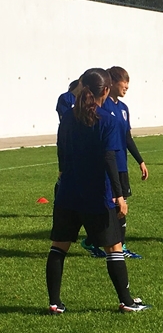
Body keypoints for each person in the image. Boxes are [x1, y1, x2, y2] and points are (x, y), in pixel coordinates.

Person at [48, 68, 150, 314]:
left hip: (67, 195)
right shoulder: (109, 120)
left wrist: (63, 173)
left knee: (58, 248)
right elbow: (109, 158)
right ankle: (126, 301)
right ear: (106, 90)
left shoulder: (68, 118)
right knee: (114, 248)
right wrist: (119, 195)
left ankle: (54, 303)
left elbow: (61, 150)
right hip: (97, 196)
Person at [98, 66, 149, 259]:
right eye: (123, 81)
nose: (126, 86)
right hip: (107, 164)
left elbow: (127, 137)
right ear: (110, 83)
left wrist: (140, 161)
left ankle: (106, 242)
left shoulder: (123, 109)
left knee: (122, 204)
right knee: (114, 205)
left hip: (121, 164)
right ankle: (119, 246)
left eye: (128, 82)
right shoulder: (102, 106)